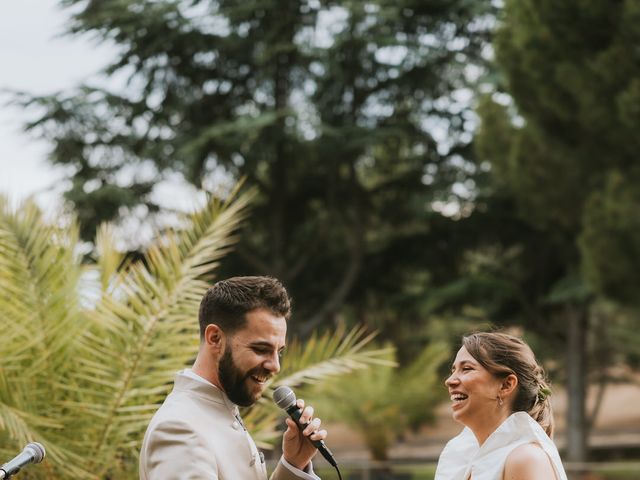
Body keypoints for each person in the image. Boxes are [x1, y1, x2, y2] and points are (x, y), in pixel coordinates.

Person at [140, 276, 327, 480]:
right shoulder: (179, 429)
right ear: (215, 338)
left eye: (279, 352)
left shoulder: (217, 410)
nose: (275, 366)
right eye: (260, 349)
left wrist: (293, 465)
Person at [435, 331, 568, 480]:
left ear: (506, 385)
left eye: (466, 369)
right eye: (453, 370)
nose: (449, 381)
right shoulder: (460, 459)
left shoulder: (526, 459)